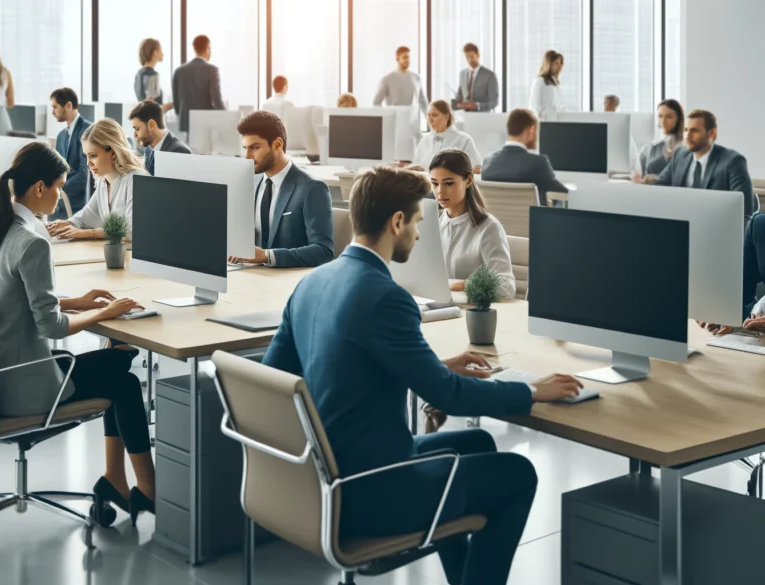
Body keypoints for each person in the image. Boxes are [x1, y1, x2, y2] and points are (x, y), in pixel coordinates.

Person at [262, 164, 582, 585]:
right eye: (416, 222)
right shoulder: (386, 297)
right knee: (517, 475)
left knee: (479, 442)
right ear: (396, 222)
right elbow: (448, 397)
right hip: (370, 491)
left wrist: (434, 368)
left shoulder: (313, 281)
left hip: (320, 475)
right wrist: (530, 392)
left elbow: (274, 378)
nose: (417, 233)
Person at [0, 142, 155, 523]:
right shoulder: (33, 240)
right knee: (122, 381)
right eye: (58, 186)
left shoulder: (1, 227)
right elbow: (51, 326)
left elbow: (21, 299)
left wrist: (79, 301)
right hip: (21, 385)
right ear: (39, 188)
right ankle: (147, 489)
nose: (61, 196)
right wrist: (106, 311)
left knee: (120, 359)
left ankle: (116, 480)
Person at [227, 111, 334, 268]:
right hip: (250, 276)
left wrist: (267, 256)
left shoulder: (312, 188)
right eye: (245, 148)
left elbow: (324, 251)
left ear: (277, 144)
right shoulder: (251, 182)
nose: (247, 157)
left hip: (286, 281)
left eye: (254, 148)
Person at [431, 149, 516, 299]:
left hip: (473, 312)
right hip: (439, 306)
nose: (440, 191)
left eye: (448, 183)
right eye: (434, 183)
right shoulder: (432, 224)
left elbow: (507, 286)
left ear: (469, 181)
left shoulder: (488, 227)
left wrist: (467, 284)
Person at [46, 119, 147, 241]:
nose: (89, 163)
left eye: (93, 155)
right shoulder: (104, 182)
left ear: (113, 152)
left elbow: (132, 231)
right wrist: (66, 224)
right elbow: (87, 216)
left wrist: (87, 233)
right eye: (86, 156)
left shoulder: (136, 179)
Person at [653, 109, 757, 224]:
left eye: (694, 130)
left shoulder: (733, 161)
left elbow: (744, 211)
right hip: (681, 226)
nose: (687, 136)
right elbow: (659, 187)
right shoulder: (680, 156)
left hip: (716, 227)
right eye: (686, 130)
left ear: (711, 133)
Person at [481, 108, 568, 207]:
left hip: (497, 222)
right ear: (531, 130)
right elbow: (562, 194)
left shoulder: (487, 162)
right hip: (533, 222)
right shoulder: (538, 163)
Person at [48, 87, 93, 220]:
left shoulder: (89, 131)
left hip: (79, 204)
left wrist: (58, 191)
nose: (52, 112)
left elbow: (84, 173)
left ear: (68, 105)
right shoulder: (61, 136)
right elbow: (59, 171)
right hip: (62, 203)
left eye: (55, 107)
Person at [407, 100, 483, 173]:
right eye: (428, 115)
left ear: (446, 117)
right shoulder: (425, 139)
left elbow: (476, 168)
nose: (429, 120)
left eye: (434, 115)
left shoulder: (464, 139)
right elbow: (418, 165)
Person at [171, 35, 225, 133]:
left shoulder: (179, 71)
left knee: (189, 147)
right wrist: (226, 118)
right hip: (205, 123)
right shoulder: (212, 70)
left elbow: (176, 103)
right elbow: (217, 100)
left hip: (186, 124)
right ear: (208, 48)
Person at [128, 100, 192, 176]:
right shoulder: (148, 150)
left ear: (151, 125)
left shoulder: (179, 151)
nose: (135, 135)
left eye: (137, 129)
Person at [633, 99, 684, 183]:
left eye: (669, 117)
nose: (663, 121)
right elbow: (638, 174)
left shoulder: (685, 147)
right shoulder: (648, 148)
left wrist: (658, 178)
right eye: (660, 116)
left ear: (678, 119)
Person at [373, 46, 428, 114]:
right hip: (394, 122)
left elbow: (423, 103)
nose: (407, 60)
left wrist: (429, 123)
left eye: (408, 57)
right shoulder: (387, 79)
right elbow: (376, 103)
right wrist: (386, 117)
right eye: (405, 57)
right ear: (397, 58)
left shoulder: (417, 79)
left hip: (413, 122)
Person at [454, 43, 498, 112]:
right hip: (465, 116)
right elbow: (459, 97)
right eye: (467, 57)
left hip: (481, 117)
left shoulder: (489, 75)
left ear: (478, 55)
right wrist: (456, 103)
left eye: (472, 57)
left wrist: (477, 106)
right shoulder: (462, 74)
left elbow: (494, 102)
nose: (469, 60)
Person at [134, 38, 172, 113]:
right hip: (152, 122)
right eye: (161, 50)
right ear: (155, 53)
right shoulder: (152, 74)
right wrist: (175, 104)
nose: (163, 54)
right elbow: (153, 109)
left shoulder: (139, 74)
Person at [529, 50, 564, 121]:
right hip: (544, 122)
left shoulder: (556, 83)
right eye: (556, 63)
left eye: (560, 63)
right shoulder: (539, 81)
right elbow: (534, 106)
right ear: (549, 64)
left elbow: (559, 105)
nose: (559, 66)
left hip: (556, 121)